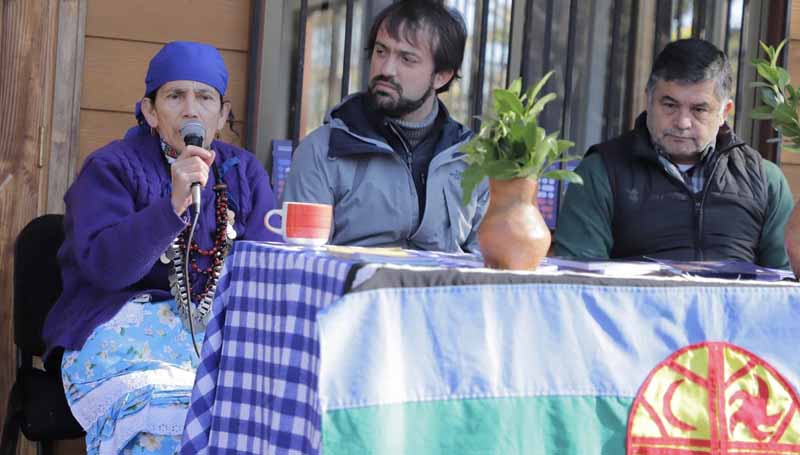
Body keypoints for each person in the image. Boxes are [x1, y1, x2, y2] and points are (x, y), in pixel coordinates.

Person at [41, 41, 281, 454]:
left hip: (217, 339)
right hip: (119, 333)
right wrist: (172, 207)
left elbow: (268, 270)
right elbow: (107, 269)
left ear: (222, 114)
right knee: (167, 414)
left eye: (204, 97)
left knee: (262, 411)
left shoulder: (242, 173)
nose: (191, 110)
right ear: (150, 112)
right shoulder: (111, 167)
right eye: (175, 96)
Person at [553, 38, 793, 268]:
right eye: (669, 105)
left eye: (699, 109)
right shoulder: (601, 172)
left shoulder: (764, 180)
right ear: (648, 100)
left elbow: (787, 284)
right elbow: (578, 280)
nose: (682, 122)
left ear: (724, 112)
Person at [282, 0, 488, 253]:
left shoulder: (472, 159)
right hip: (351, 279)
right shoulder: (323, 150)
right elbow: (301, 262)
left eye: (407, 59)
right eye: (381, 52)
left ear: (441, 76)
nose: (387, 69)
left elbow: (490, 262)